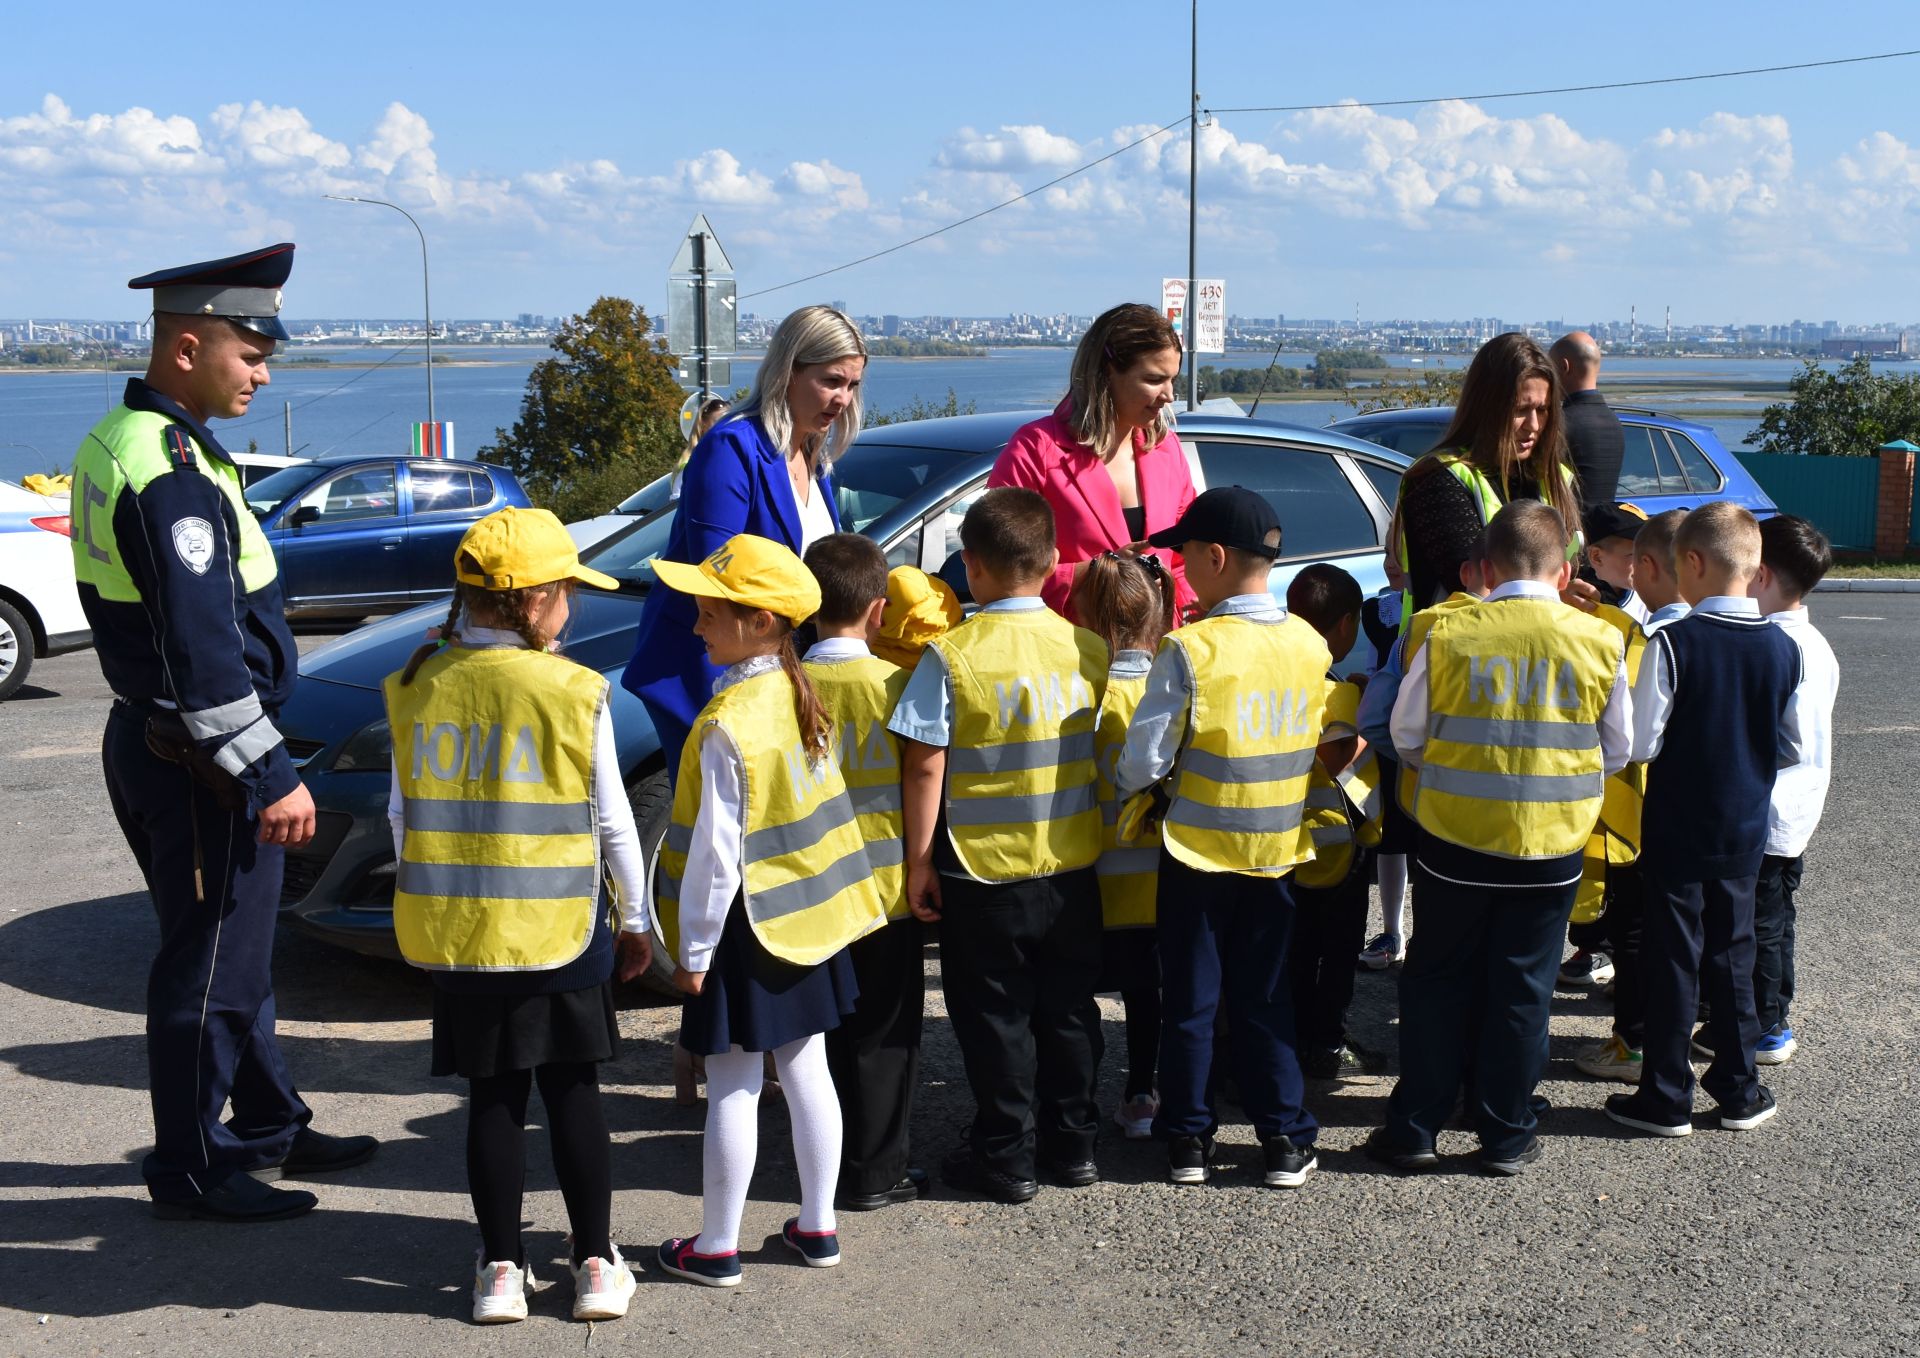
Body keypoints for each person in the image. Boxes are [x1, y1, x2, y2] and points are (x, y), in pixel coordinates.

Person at [68, 243, 377, 1224]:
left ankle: (272, 1116)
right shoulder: (163, 465)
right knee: (207, 968)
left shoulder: (148, 439)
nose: (265, 372)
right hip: (197, 757)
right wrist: (270, 772)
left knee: (233, 956)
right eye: (251, 352)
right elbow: (203, 653)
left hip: (175, 746)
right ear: (190, 344)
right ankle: (192, 1165)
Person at [382, 507, 653, 1324]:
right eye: (567, 590)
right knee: (573, 1092)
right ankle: (597, 1266)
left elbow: (402, 816)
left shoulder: (419, 682)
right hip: (560, 930)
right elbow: (611, 821)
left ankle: (501, 1269)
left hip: (460, 933)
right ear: (534, 602)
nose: (572, 604)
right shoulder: (575, 690)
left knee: (493, 1098)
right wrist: (636, 919)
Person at [650, 533, 886, 1286]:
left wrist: (690, 955)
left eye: (709, 613)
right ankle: (817, 1227)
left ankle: (716, 1245)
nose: (695, 625)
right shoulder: (796, 691)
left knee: (732, 1081)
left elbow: (716, 860)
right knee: (808, 1066)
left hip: (745, 929)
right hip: (806, 921)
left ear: (759, 622)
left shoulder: (727, 723)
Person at [1371, 501, 1631, 1176]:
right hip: (1553, 845)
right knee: (1523, 991)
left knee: (1436, 981)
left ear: (1484, 568)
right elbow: (1619, 749)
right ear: (1566, 567)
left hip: (1456, 840)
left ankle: (1417, 1127)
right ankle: (1505, 1132)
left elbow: (1406, 737)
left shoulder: (1449, 634)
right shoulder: (1600, 638)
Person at [888, 487, 1109, 1204]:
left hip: (984, 872)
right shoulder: (1087, 648)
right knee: (1071, 1010)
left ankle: (1006, 1156)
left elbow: (925, 760)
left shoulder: (951, 656)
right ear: (1050, 562)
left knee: (996, 1018)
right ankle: (1073, 1144)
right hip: (1073, 863)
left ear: (971, 567)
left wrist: (920, 860)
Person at [1115, 487, 1329, 1189]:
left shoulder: (1191, 646)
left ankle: (1186, 1142)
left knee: (1192, 1001)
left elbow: (1143, 762)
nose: (1179, 569)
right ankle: (1284, 1140)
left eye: (1183, 556)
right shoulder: (1309, 643)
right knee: (1266, 1000)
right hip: (1275, 854)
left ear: (1213, 557)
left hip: (1197, 854)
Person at [1606, 503, 1801, 1139]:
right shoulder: (1783, 646)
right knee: (1734, 955)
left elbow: (1640, 743)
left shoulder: (1673, 642)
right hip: (1744, 829)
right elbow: (1791, 744)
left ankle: (1666, 1094)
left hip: (1678, 827)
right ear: (1756, 567)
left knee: (1673, 957)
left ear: (1691, 563)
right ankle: (1739, 1089)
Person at [625, 306, 868, 775]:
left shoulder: (812, 457)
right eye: (831, 381)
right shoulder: (732, 446)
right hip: (709, 677)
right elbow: (718, 579)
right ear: (787, 370)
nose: (843, 399)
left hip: (772, 674)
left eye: (852, 385)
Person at [801, 534, 932, 1211]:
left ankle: (816, 1163)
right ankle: (879, 1171)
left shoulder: (785, 687)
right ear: (879, 611)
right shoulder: (900, 687)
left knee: (818, 1037)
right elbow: (923, 776)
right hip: (885, 892)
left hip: (804, 896)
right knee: (885, 1035)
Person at [1572, 507, 1693, 1084]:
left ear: (1645, 567)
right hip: (1690, 816)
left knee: (1637, 933)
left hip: (1638, 816)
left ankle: (1636, 1044)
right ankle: (1665, 1039)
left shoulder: (1658, 637)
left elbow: (1635, 740)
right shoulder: (1704, 629)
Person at [987, 303, 1198, 621]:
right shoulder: (1036, 449)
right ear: (1107, 372)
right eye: (1154, 380)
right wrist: (1096, 572)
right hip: (1068, 656)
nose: (1169, 394)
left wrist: (1188, 618)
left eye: (1172, 380)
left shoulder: (1166, 450)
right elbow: (998, 569)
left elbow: (1186, 558)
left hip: (1158, 652)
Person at [1074, 550, 1178, 1138]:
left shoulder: (1082, 689)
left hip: (1090, 879)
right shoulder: (1172, 683)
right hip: (1160, 879)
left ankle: (1077, 1100)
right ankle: (1142, 1093)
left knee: (1076, 995)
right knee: (1148, 994)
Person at [1394, 332, 1583, 631]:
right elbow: (1473, 588)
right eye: (1521, 410)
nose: (1533, 425)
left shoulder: (1556, 476)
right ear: (1488, 407)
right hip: (1452, 659)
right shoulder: (1437, 477)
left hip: (1540, 656)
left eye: (1543, 410)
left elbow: (1581, 570)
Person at [1284, 563, 1383, 1081]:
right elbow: (1339, 755)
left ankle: (1290, 1037)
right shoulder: (1336, 691)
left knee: (1291, 950)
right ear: (1346, 626)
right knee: (1336, 951)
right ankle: (1325, 1042)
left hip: (1283, 842)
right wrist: (1365, 711)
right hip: (1337, 851)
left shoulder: (1275, 674)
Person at [1749, 514, 1837, 1066]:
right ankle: (1767, 1015)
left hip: (1771, 809)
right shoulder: (1811, 639)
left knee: (1763, 925)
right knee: (1774, 920)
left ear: (1758, 574)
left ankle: (1766, 1024)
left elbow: (1789, 741)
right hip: (1793, 809)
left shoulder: (1778, 645)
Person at [1550, 331, 1625, 508]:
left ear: (1564, 367)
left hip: (1566, 530)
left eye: (1550, 369)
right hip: (1604, 532)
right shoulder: (1615, 423)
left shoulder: (1560, 423)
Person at [671, 397, 730, 498]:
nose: (724, 428)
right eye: (717, 422)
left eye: (727, 422)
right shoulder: (692, 464)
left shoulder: (727, 459)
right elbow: (677, 503)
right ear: (703, 425)